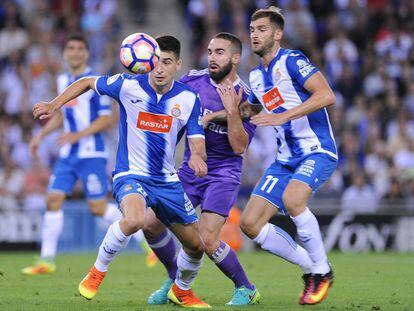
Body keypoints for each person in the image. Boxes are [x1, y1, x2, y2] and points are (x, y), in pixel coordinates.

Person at [32, 35, 211, 308]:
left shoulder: (188, 98)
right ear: (146, 60)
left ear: (178, 64)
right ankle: (96, 272)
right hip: (131, 174)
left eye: (166, 62)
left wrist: (198, 157)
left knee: (197, 245)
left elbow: (197, 141)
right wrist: (54, 104)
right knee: (135, 220)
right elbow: (87, 82)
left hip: (167, 180)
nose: (159, 68)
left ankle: (182, 290)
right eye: (156, 61)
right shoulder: (127, 85)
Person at [22, 34, 155, 275]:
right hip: (68, 154)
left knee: (96, 207)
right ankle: (47, 260)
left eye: (79, 49)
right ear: (65, 53)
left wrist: (77, 135)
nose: (74, 52)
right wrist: (40, 137)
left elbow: (106, 119)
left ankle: (146, 238)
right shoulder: (64, 80)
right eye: (70, 48)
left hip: (92, 153)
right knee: (53, 199)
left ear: (86, 54)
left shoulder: (94, 82)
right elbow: (63, 116)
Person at [143, 32, 260, 306]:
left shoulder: (248, 97)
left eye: (219, 52)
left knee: (208, 239)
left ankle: (246, 288)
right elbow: (166, 101)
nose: (212, 58)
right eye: (210, 51)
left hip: (224, 173)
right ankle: (175, 281)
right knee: (149, 224)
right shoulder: (193, 81)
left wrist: (230, 112)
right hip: (189, 169)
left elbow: (239, 146)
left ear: (235, 57)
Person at [241, 6, 338, 305]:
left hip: (316, 150)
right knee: (250, 223)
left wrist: (285, 116)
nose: (255, 35)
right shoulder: (256, 76)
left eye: (262, 29)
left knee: (293, 200)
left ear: (277, 34)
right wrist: (227, 110)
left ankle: (322, 273)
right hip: (285, 159)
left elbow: (326, 95)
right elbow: (251, 110)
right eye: (253, 29)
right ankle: (310, 267)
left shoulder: (293, 60)